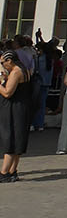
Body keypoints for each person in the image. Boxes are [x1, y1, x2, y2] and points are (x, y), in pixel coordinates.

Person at [0, 48, 28, 181]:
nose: (2, 66)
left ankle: (4, 172)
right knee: (17, 140)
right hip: (21, 108)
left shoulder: (16, 72)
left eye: (3, 63)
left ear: (9, 61)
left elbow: (7, 92)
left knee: (10, 139)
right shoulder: (23, 69)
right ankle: (12, 171)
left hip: (13, 109)